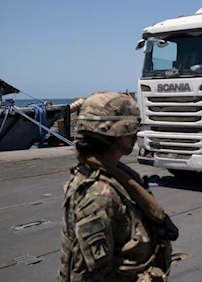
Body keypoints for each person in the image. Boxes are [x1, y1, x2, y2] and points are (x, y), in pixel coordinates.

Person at [58, 92, 181, 282]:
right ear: (117, 134)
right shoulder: (99, 194)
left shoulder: (117, 175)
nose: (134, 134)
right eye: (131, 129)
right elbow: (90, 275)